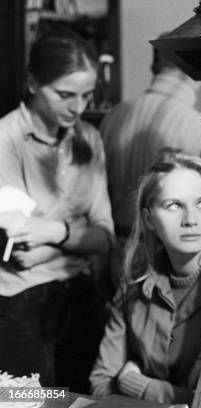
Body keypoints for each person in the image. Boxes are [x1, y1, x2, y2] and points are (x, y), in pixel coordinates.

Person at [89, 154, 201, 407]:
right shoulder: (136, 279)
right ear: (149, 218)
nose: (191, 219)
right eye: (174, 206)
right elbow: (101, 384)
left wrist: (137, 384)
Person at [0, 31, 115, 388]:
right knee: (22, 401)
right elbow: (18, 251)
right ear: (33, 83)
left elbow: (105, 235)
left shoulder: (89, 139)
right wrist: (78, 236)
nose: (77, 107)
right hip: (20, 302)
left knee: (80, 397)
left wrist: (52, 233)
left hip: (78, 294)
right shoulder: (6, 139)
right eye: (65, 95)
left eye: (86, 95)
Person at [101, 32, 201, 288]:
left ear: (155, 64)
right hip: (169, 257)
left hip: (116, 250)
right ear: (195, 69)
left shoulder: (114, 116)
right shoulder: (196, 127)